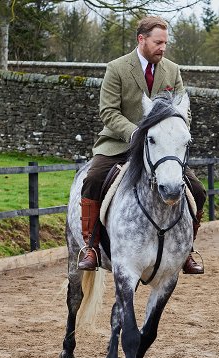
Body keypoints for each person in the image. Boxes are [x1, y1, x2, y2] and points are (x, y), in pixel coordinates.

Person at [78, 15, 206, 274]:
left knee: (197, 189)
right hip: (120, 144)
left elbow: (183, 111)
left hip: (160, 148)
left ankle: (187, 249)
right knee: (92, 179)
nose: (163, 48)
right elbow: (109, 112)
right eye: (158, 42)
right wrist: (135, 133)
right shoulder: (117, 68)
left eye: (165, 43)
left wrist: (174, 131)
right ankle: (90, 246)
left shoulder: (173, 70)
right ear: (142, 39)